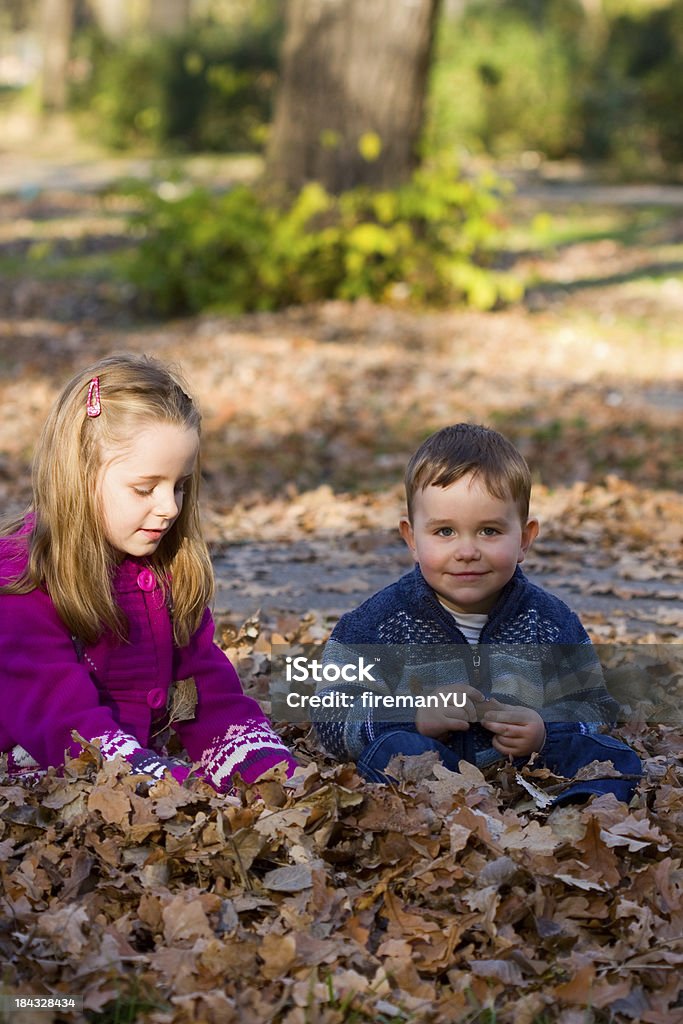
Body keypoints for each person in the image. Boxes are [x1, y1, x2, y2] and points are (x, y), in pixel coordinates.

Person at [0, 353, 297, 791]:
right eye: (145, 488)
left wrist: (269, 776)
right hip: (43, 785)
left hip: (138, 776)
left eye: (180, 485)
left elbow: (207, 696)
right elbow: (67, 726)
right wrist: (172, 788)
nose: (170, 508)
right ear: (79, 476)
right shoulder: (23, 585)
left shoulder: (164, 570)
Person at [314, 423, 641, 805]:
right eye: (445, 532)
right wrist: (415, 717)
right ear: (412, 539)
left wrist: (545, 730)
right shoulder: (376, 624)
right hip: (432, 775)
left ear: (525, 539)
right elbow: (330, 714)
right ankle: (453, 811)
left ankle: (571, 814)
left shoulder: (550, 622)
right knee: (394, 747)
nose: (467, 550)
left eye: (488, 531)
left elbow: (596, 705)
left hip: (527, 773)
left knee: (615, 756)